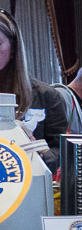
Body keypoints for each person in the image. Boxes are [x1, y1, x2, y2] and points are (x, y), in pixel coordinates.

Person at [0, 9, 68, 171]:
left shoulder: (47, 96)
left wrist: (40, 154)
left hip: (27, 184)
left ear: (14, 49)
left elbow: (62, 152)